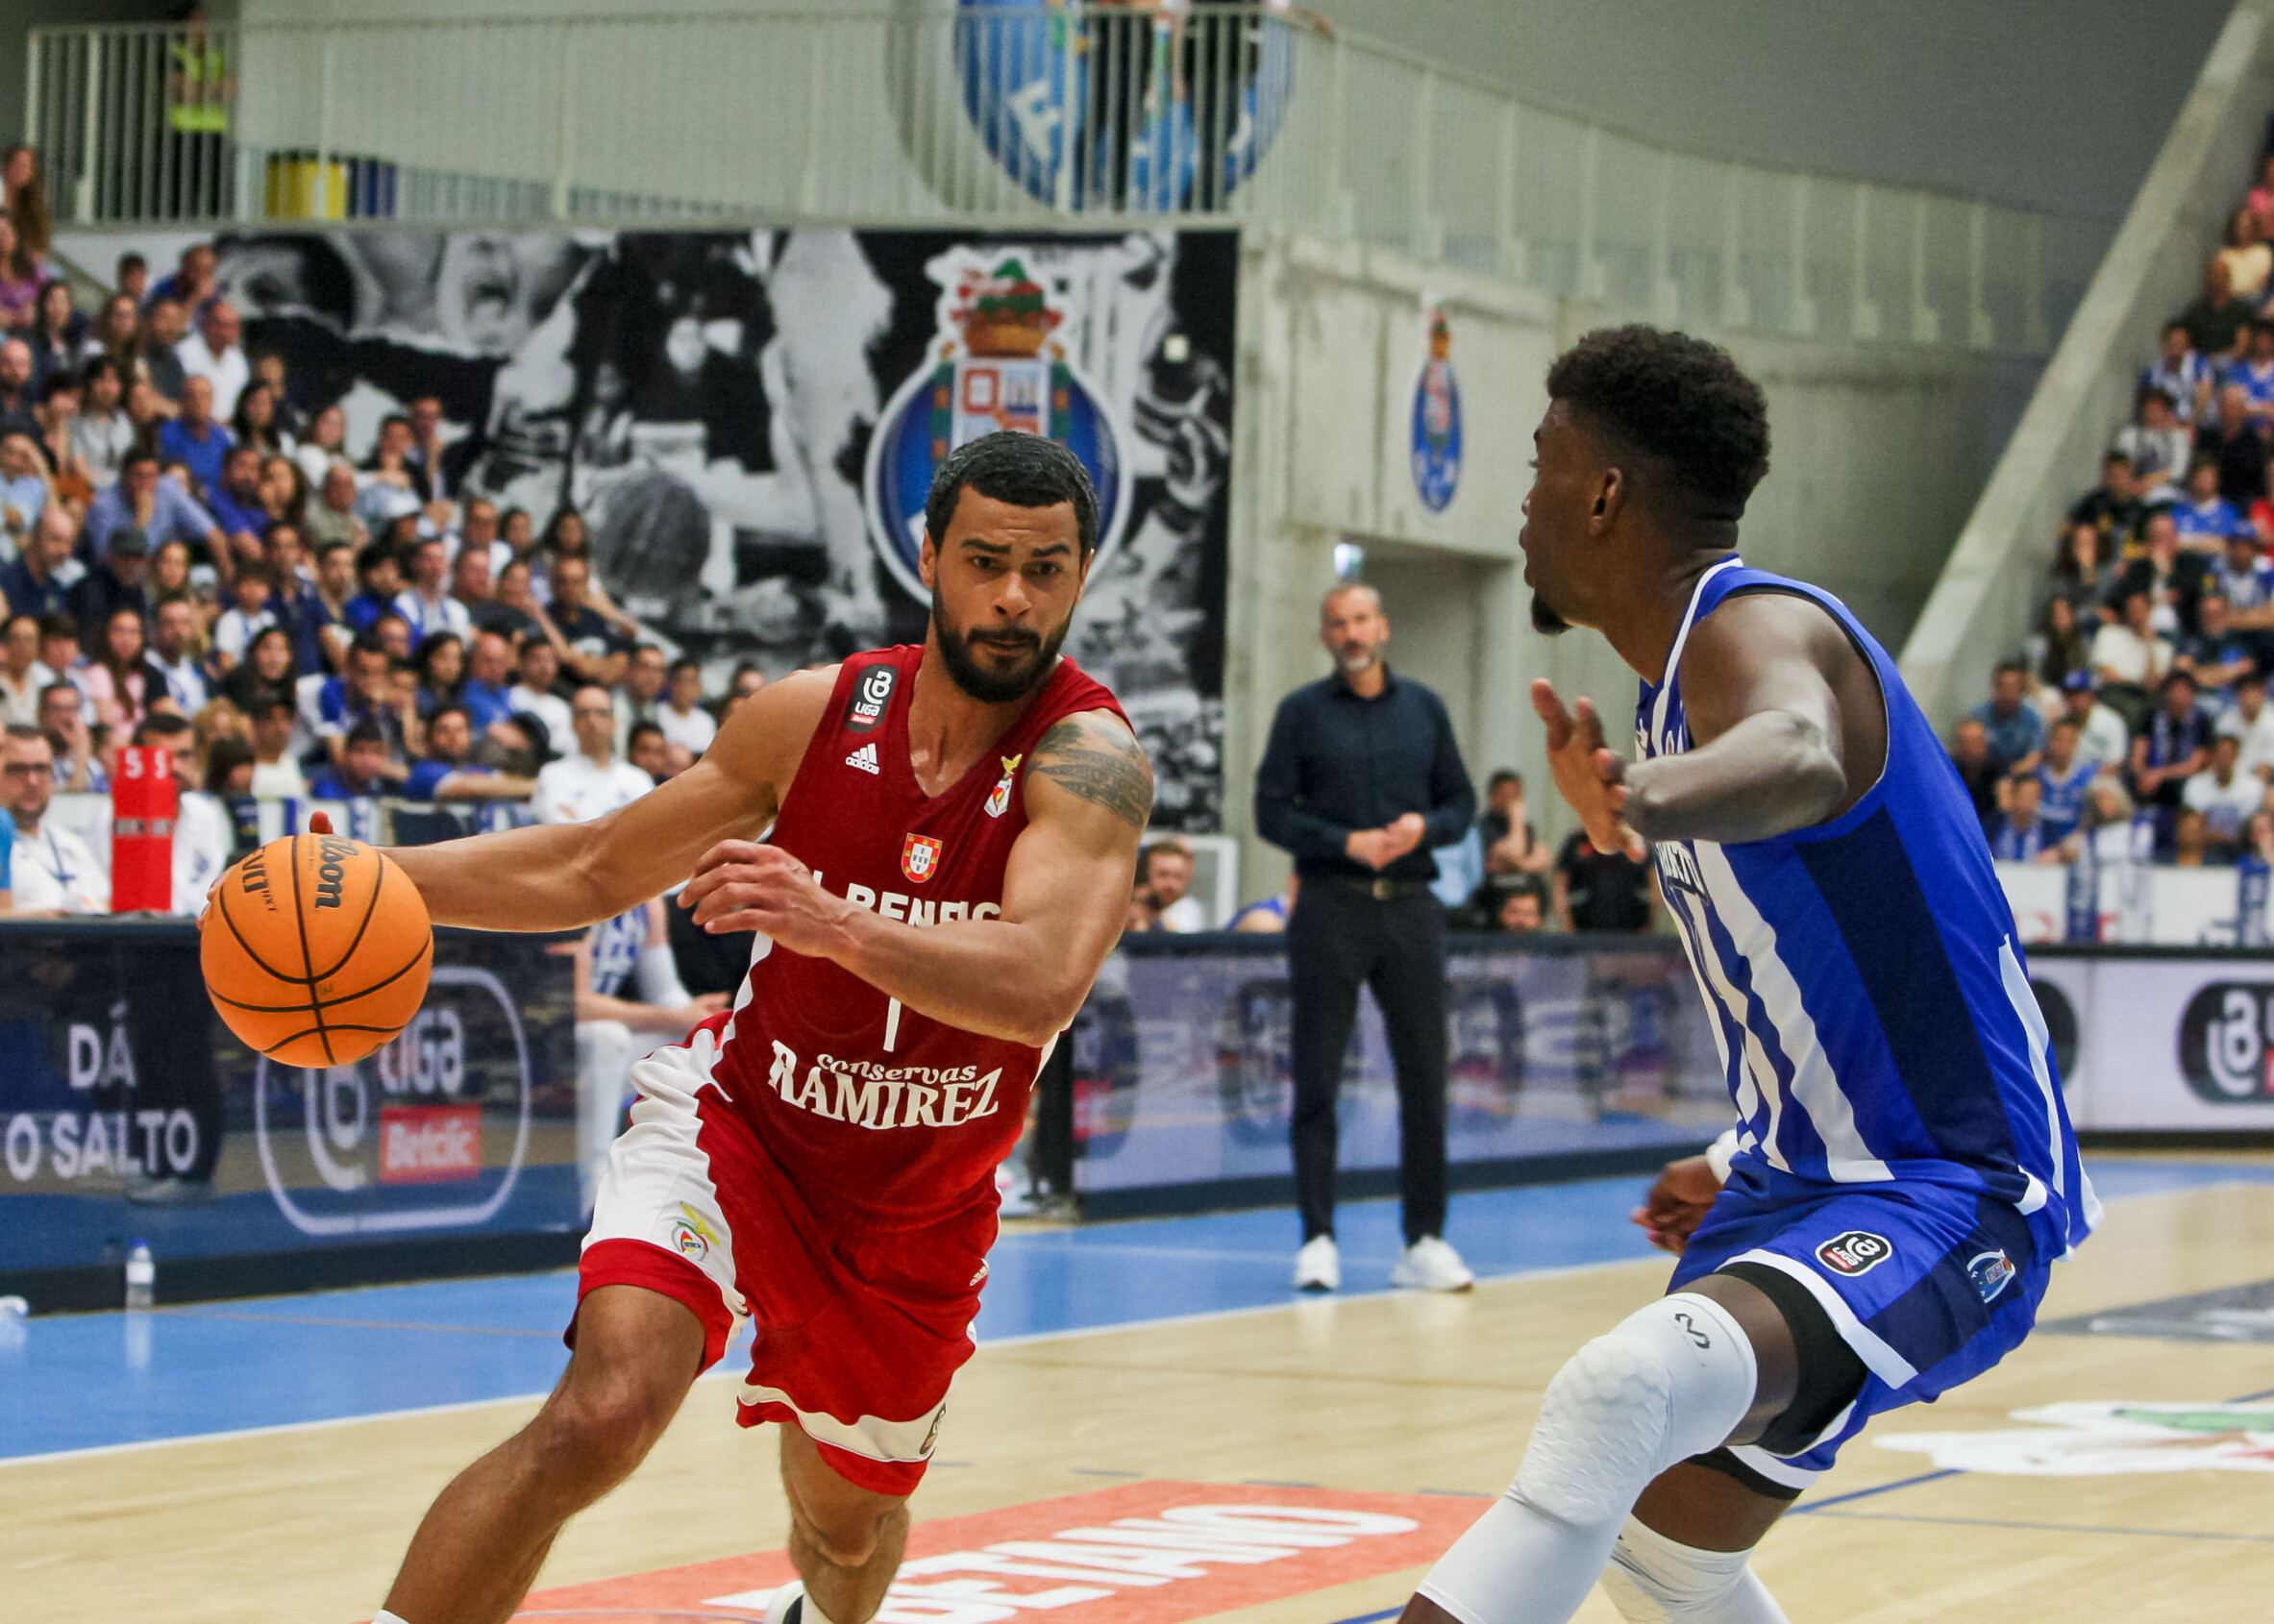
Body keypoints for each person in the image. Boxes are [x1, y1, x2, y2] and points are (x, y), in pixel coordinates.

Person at [362, 431, 1147, 1624]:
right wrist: (371, 876)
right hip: (739, 1135)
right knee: (602, 1411)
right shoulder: (814, 714)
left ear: (1081, 575)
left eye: (1045, 569)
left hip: (915, 1211)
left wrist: (833, 922)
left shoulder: (1090, 759)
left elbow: (1038, 980)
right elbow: (587, 865)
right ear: (927, 555)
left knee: (846, 1532)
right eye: (984, 560)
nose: (1012, 597)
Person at [1401, 326, 2094, 1624]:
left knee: (1615, 1394)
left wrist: (1643, 796)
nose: (1522, 495)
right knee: (1670, 1557)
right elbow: (1828, 974)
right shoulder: (1674, 690)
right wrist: (1732, 1151)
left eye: (1540, 459)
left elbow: (1802, 749)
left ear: (1602, 491)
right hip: (1794, 1180)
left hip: (1950, 1192)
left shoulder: (1754, 626)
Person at [1254, 579, 1478, 1294]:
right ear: (1325, 635)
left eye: (1360, 620)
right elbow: (1269, 813)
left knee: (1425, 1079)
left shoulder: (1425, 709)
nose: (1350, 633)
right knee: (1317, 1074)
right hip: (1329, 904)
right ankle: (1317, 1237)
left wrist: (1425, 829)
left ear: (1382, 627)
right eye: (1337, 623)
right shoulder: (1300, 714)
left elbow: (1462, 803)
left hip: (1412, 907)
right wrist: (1344, 842)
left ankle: (1424, 1240)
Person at [132, 712, 230, 914]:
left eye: (183, 755)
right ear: (138, 760)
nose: (174, 766)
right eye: (162, 757)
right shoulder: (114, 817)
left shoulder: (205, 813)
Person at [3, 724, 105, 914]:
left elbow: (106, 902)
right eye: (18, 769)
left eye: (41, 769)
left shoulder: (69, 842)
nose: (32, 781)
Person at [532, 682, 654, 824]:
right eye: (583, 713)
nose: (592, 720)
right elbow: (559, 829)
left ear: (613, 722)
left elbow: (648, 828)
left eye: (601, 713)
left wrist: (582, 822)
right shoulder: (552, 775)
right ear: (573, 723)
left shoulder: (638, 780)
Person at [1551, 825, 1656, 932]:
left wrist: (1651, 923)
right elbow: (1560, 885)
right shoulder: (1577, 842)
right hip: (1584, 930)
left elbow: (1656, 884)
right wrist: (1566, 924)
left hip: (1632, 929)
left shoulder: (1638, 843)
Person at [2182, 731, 2262, 858]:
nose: (2223, 759)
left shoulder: (2252, 787)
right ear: (2212, 756)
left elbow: (2250, 827)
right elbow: (2189, 827)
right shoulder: (2195, 785)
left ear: (2236, 757)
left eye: (2228, 755)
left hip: (2241, 847)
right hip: (2203, 848)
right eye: (2219, 754)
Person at [176, 298, 247, 421]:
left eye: (231, 326)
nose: (225, 332)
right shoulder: (184, 352)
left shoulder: (237, 358)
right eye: (219, 325)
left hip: (230, 428)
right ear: (206, 324)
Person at [1969, 658, 2044, 773]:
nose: (2008, 693)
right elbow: (1970, 752)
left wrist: (2013, 773)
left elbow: (2035, 755)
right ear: (1995, 687)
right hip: (1985, 774)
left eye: (2013, 687)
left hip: (2020, 776)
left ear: (2022, 689)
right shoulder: (1979, 716)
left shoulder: (2032, 718)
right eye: (2003, 687)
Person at [1480, 769, 1553, 875]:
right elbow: (1514, 852)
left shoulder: (1526, 828)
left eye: (1517, 795)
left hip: (1527, 887)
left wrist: (1520, 864)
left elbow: (1544, 859)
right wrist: (1517, 819)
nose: (1514, 802)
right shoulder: (1484, 826)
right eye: (1508, 795)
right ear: (1494, 797)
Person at [1134, 836, 1206, 930]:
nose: (1170, 884)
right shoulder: (1127, 911)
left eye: (1178, 876)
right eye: (1163, 875)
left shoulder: (1190, 909)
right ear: (1146, 874)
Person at [656, 655, 718, 756]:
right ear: (670, 683)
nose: (684, 687)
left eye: (691, 681)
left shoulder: (706, 721)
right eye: (680, 680)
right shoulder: (657, 714)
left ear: (699, 687)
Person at [1988, 773, 2051, 862]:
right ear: (2013, 796)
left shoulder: (2048, 829)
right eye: (2025, 796)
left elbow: (2055, 852)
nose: (2029, 802)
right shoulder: (1994, 823)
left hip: (2034, 873)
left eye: (2034, 796)